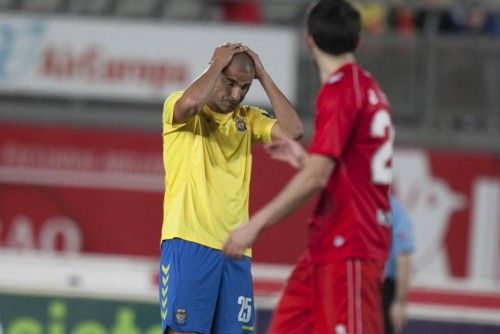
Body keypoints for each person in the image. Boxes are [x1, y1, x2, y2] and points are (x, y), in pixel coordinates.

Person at [223, 1, 394, 333]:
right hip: (327, 244)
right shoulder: (367, 87)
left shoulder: (339, 90)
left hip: (352, 244)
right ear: (357, 42)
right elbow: (349, 165)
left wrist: (254, 225)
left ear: (309, 41)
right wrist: (306, 160)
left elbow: (318, 176)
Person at [159, 42, 303, 334]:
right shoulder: (180, 107)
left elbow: (293, 131)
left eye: (245, 87)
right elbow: (188, 105)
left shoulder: (248, 119)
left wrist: (262, 75)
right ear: (215, 71)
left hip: (235, 252)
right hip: (189, 242)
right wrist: (215, 65)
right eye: (230, 83)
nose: (236, 94)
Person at [383, 196, 415, 334]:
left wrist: (399, 301)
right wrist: (400, 301)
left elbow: (403, 255)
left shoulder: (393, 209)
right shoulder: (393, 209)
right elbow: (403, 255)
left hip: (381, 289)